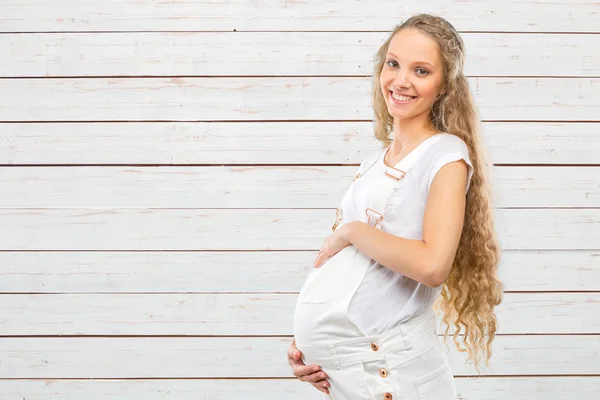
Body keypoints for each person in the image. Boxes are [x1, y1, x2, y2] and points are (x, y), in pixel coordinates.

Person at [287, 13, 503, 399]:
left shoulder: (445, 155)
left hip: (393, 373)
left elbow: (432, 266)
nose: (401, 80)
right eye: (393, 63)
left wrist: (352, 230)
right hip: (354, 371)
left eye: (421, 70)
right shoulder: (374, 164)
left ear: (444, 87)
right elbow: (349, 270)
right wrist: (307, 348)